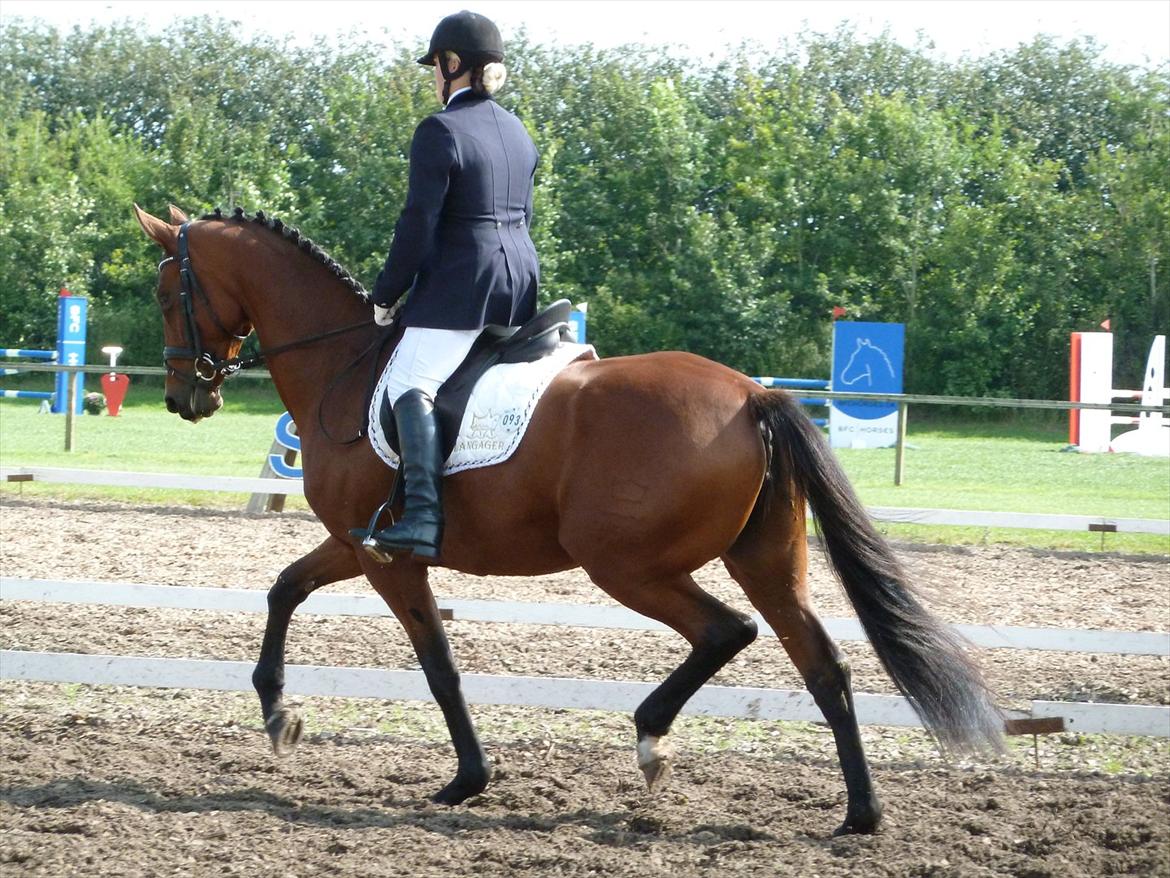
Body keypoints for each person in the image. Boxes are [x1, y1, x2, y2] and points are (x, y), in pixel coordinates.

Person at [365, 10, 541, 560]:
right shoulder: (518, 131)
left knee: (409, 384)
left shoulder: (439, 130)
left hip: (464, 288)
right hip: (519, 284)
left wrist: (386, 292)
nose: (431, 78)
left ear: (452, 64)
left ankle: (421, 516)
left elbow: (418, 223)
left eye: (434, 67)